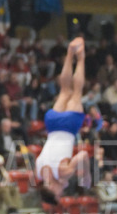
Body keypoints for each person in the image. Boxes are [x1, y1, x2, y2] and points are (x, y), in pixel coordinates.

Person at [35, 36, 92, 202]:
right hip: (52, 125)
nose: (63, 190)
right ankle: (69, 53)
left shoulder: (63, 173)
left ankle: (81, 58)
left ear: (52, 189)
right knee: (65, 90)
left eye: (60, 193)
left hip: (68, 127)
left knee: (77, 92)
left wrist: (86, 175)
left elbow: (83, 155)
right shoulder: (38, 172)